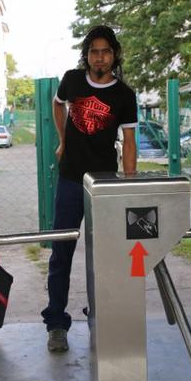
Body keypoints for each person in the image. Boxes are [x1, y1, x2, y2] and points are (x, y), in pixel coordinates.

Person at [41, 25, 138, 352]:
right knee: (61, 253)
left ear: (114, 55)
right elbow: (57, 105)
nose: (100, 57)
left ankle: (101, 313)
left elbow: (129, 142)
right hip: (70, 179)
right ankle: (56, 323)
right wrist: (63, 139)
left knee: (106, 255)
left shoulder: (124, 95)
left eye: (106, 51)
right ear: (87, 55)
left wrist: (130, 185)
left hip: (104, 183)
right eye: (94, 51)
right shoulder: (71, 79)